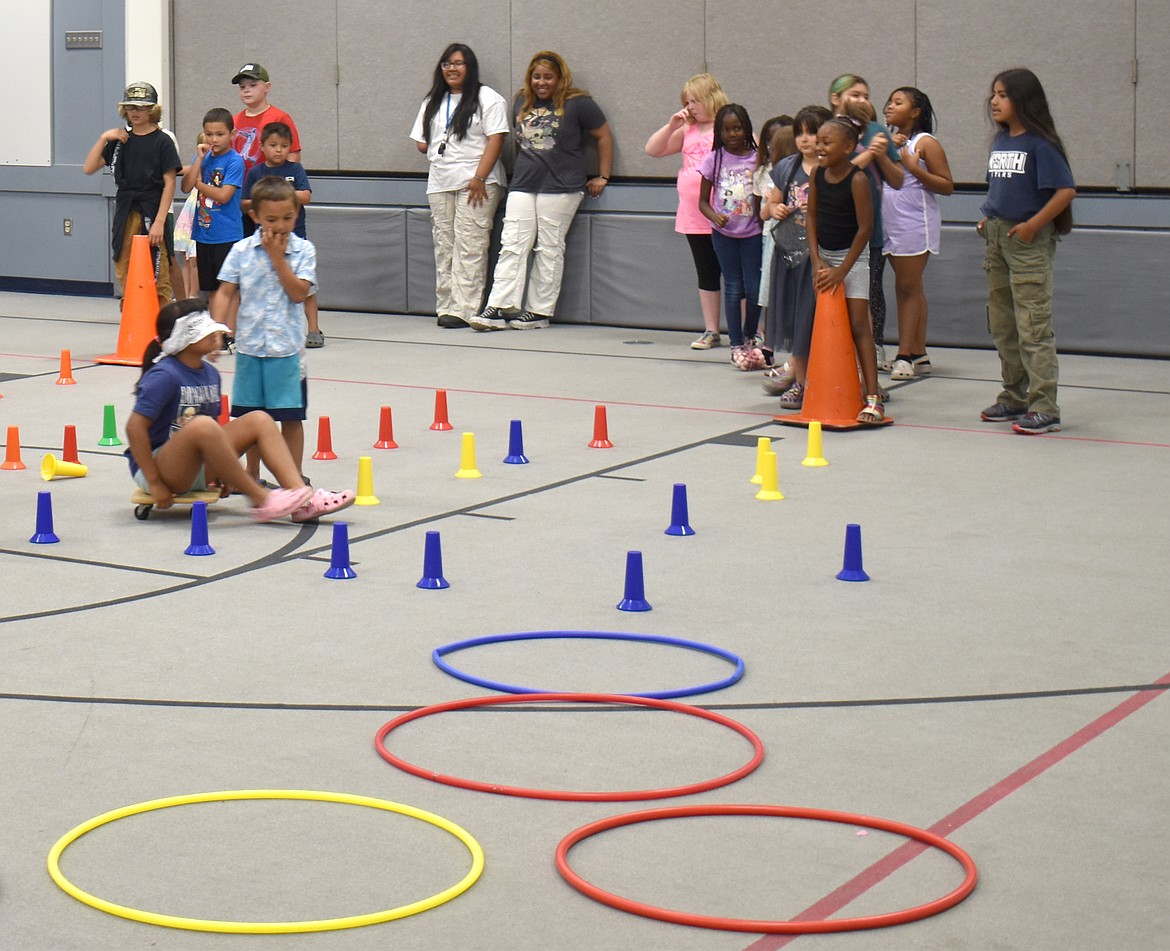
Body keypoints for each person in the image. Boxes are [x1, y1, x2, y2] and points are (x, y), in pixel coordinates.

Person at [125, 299, 352, 523]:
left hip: (195, 467)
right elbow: (134, 428)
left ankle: (303, 499)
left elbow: (211, 436)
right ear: (185, 339)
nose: (216, 335)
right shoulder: (165, 375)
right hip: (158, 470)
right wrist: (154, 481)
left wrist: (224, 471)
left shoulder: (210, 374)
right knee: (202, 425)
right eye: (207, 331)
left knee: (259, 419)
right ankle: (261, 498)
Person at [469, 51, 612, 331]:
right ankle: (498, 306)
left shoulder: (579, 103)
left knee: (548, 248)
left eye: (548, 77)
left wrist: (603, 175)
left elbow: (603, 136)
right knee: (512, 244)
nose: (541, 82)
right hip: (524, 183)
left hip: (561, 187)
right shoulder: (521, 100)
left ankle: (538, 311)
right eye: (537, 76)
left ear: (560, 78)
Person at [976, 68, 1075, 435]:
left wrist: (1034, 225)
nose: (995, 101)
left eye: (1003, 94)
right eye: (994, 94)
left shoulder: (1040, 144)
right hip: (999, 236)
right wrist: (988, 218)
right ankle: (1013, 395)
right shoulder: (1001, 142)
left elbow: (1065, 190)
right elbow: (1001, 189)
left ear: (1023, 99)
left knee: (1032, 324)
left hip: (1028, 240)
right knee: (1003, 323)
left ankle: (1044, 405)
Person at [212, 177, 321, 489]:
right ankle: (251, 472)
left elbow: (299, 293)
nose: (281, 225)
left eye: (288, 218)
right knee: (252, 418)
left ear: (296, 215)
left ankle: (294, 475)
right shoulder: (242, 250)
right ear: (255, 216)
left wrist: (277, 259)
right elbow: (224, 292)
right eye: (271, 219)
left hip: (286, 352)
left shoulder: (303, 250)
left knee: (290, 416)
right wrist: (216, 329)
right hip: (250, 348)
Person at [410, 43, 509, 329]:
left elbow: (497, 139)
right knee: (445, 246)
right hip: (441, 181)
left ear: (470, 67)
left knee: (470, 243)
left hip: (477, 181)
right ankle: (446, 306)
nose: (452, 69)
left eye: (458, 63)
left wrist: (479, 177)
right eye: (446, 64)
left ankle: (464, 308)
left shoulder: (487, 97)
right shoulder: (433, 100)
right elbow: (421, 142)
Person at [806, 116, 884, 424]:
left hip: (852, 258)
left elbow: (865, 229)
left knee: (858, 325)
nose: (819, 147)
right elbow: (811, 218)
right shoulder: (817, 175)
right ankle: (828, 387)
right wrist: (816, 260)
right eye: (818, 141)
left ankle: (874, 397)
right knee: (827, 324)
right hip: (823, 257)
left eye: (827, 142)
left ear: (849, 147)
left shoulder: (858, 179)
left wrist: (843, 270)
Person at [644, 73, 729, 350]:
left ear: (711, 99)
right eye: (687, 102)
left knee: (736, 274)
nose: (690, 107)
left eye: (695, 101)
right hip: (694, 214)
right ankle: (711, 330)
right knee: (706, 272)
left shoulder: (728, 127)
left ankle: (749, 331)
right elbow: (653, 150)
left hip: (724, 214)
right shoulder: (688, 131)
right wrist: (671, 126)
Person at [82, 81, 181, 306]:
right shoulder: (119, 141)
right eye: (131, 107)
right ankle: (133, 321)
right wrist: (104, 138)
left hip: (152, 209)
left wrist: (159, 222)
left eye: (142, 107)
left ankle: (161, 329)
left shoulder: (162, 141)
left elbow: (170, 183)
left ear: (153, 110)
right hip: (125, 210)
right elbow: (88, 168)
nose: (135, 112)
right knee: (125, 266)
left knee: (159, 271)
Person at [828, 74, 903, 371]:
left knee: (870, 292)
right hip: (831, 231)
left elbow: (897, 180)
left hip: (868, 230)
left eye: (866, 96)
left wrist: (881, 156)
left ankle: (874, 349)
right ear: (836, 98)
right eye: (855, 95)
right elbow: (825, 173)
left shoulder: (876, 131)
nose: (862, 101)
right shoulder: (825, 129)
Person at [762, 105, 832, 408]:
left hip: (821, 256)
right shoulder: (786, 167)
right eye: (801, 132)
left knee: (815, 322)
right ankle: (801, 383)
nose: (806, 139)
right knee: (795, 323)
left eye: (813, 132)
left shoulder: (833, 168)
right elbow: (766, 209)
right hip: (790, 255)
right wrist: (774, 210)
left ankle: (829, 381)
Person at [881, 87, 953, 380]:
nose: (889, 106)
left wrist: (914, 168)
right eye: (889, 101)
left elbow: (947, 185)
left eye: (898, 102)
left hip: (913, 222)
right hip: (888, 222)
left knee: (907, 289)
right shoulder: (886, 140)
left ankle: (904, 356)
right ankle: (919, 353)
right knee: (909, 288)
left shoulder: (926, 143)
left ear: (915, 111)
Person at [241, 122, 324, 348]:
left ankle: (314, 329)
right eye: (273, 145)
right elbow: (245, 202)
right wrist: (264, 203)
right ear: (262, 146)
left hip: (295, 237)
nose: (278, 150)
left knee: (307, 285)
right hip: (265, 239)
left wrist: (281, 196)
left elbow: (306, 196)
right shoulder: (256, 172)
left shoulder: (295, 170)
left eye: (284, 146)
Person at [698, 104, 764, 369]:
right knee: (734, 288)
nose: (732, 134)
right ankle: (736, 343)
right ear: (719, 132)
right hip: (724, 235)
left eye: (737, 128)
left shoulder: (757, 158)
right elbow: (702, 201)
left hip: (753, 234)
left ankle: (751, 337)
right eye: (726, 130)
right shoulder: (715, 159)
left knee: (755, 288)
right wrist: (714, 216)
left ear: (746, 129)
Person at [182, 108, 245, 304]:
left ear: (232, 134)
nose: (214, 140)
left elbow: (224, 195)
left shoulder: (235, 161)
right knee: (209, 288)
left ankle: (229, 331)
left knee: (228, 288)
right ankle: (216, 329)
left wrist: (199, 184)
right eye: (209, 134)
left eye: (220, 134)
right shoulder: (202, 158)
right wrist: (199, 160)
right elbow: (185, 187)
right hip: (203, 233)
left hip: (227, 234)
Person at [753, 116, 795, 362]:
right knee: (769, 291)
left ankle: (795, 346)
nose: (770, 148)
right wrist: (771, 203)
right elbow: (762, 212)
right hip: (771, 237)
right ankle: (768, 344)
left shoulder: (799, 174)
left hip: (797, 241)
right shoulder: (767, 174)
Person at [231, 62, 301, 173]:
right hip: (239, 187)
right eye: (242, 86)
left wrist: (285, 183)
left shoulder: (280, 118)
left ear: (267, 87)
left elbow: (293, 154)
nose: (246, 90)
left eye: (253, 85)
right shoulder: (233, 121)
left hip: (270, 186)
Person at [172, 134, 204, 300]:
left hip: (203, 209)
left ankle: (193, 295)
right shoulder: (196, 160)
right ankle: (184, 296)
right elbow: (186, 171)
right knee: (186, 256)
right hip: (192, 209)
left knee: (195, 258)